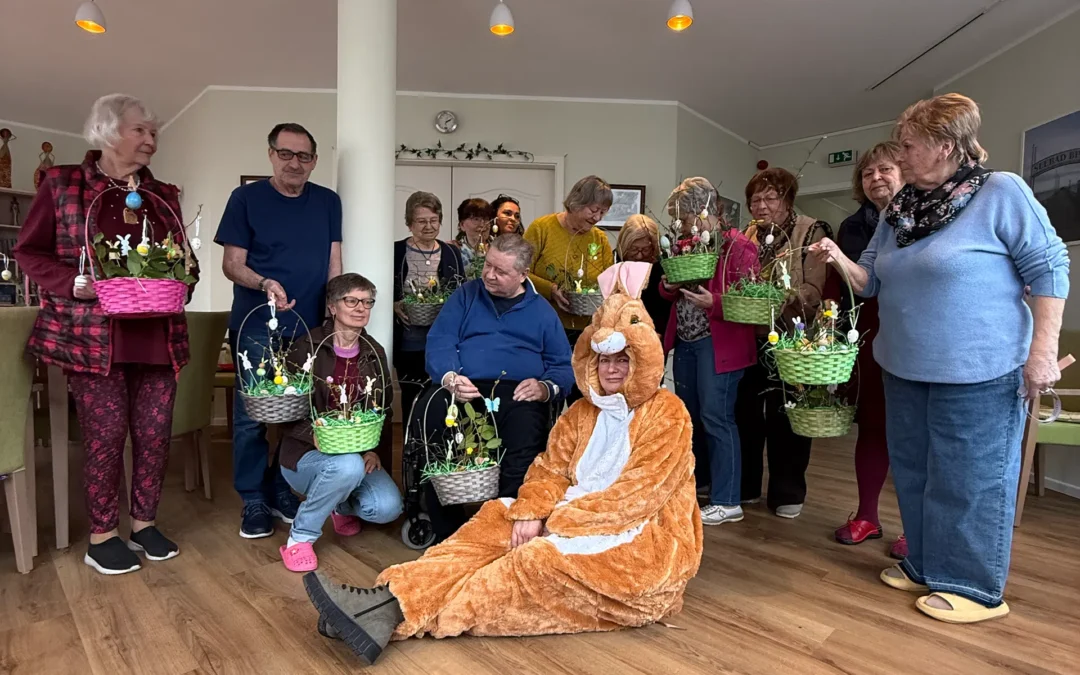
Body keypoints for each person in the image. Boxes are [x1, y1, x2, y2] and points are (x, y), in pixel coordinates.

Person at [302, 261, 702, 666]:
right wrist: (530, 511)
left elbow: (634, 498)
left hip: (638, 541)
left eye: (622, 360)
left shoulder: (667, 413)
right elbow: (549, 469)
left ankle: (392, 616)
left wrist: (552, 522)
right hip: (567, 514)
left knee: (530, 563)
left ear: (642, 361)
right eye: (604, 360)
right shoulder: (583, 412)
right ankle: (387, 596)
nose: (611, 370)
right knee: (494, 519)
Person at [810, 93, 1068, 624]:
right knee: (914, 473)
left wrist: (1041, 352)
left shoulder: (1001, 192)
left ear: (946, 146)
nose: (900, 155)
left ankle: (974, 588)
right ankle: (925, 565)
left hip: (979, 369)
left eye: (908, 145)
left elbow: (1049, 269)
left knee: (970, 478)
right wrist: (836, 258)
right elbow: (870, 279)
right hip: (903, 368)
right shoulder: (899, 212)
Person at [13, 94, 198, 574]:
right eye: (140, 130)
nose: (150, 140)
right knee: (105, 434)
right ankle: (102, 535)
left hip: (157, 331)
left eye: (154, 132)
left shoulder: (164, 194)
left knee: (155, 435)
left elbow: (184, 260)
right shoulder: (64, 184)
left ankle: (144, 523)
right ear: (108, 131)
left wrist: (183, 280)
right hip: (95, 337)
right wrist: (69, 286)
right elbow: (30, 253)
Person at [215, 122, 343, 540]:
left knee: (301, 416)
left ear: (315, 161)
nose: (294, 163)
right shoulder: (245, 199)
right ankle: (253, 497)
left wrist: (336, 311)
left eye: (304, 156)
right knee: (252, 418)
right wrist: (263, 283)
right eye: (286, 153)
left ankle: (281, 487)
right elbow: (232, 263)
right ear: (271, 154)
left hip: (309, 327)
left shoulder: (328, 201)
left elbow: (333, 259)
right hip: (257, 326)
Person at [413, 234, 574, 541]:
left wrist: (544, 388)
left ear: (523, 275)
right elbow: (441, 340)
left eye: (500, 271)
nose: (488, 274)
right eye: (488, 265)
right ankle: (447, 530)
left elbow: (563, 366)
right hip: (464, 385)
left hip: (517, 393)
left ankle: (503, 523)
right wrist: (449, 377)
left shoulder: (542, 312)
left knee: (526, 429)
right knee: (431, 417)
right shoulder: (466, 296)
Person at [276, 274, 403, 572]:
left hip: (357, 456)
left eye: (367, 302)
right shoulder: (306, 347)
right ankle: (300, 537)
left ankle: (339, 503)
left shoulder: (374, 351)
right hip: (305, 456)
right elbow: (283, 410)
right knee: (347, 466)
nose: (361, 308)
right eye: (352, 301)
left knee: (386, 508)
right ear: (333, 307)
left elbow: (384, 410)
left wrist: (376, 452)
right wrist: (312, 435)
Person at [658, 178, 759, 525]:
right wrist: (668, 285)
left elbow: (750, 301)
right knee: (693, 418)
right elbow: (669, 287)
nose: (682, 225)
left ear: (707, 211)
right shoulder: (687, 243)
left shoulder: (738, 246)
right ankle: (702, 484)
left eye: (685, 217)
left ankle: (728, 500)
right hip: (686, 341)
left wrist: (713, 302)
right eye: (680, 218)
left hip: (719, 345)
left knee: (718, 418)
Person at [826, 142, 907, 556]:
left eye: (885, 169)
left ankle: (916, 527)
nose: (876, 178)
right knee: (873, 425)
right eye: (867, 173)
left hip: (915, 332)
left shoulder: (928, 215)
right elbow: (848, 287)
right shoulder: (854, 227)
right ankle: (867, 517)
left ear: (906, 170)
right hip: (868, 332)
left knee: (914, 434)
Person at [737, 167, 831, 519]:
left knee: (787, 416)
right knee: (745, 413)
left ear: (787, 199)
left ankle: (787, 492)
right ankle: (746, 486)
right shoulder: (746, 233)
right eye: (755, 200)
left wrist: (779, 297)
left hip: (791, 339)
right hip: (749, 337)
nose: (761, 206)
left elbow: (814, 289)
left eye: (770, 198)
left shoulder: (811, 229)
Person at [524, 176, 615, 401]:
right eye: (594, 210)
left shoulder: (600, 239)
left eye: (603, 212)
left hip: (585, 332)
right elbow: (520, 271)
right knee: (546, 397)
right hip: (544, 330)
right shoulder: (542, 228)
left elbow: (609, 282)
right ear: (576, 203)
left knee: (582, 398)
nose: (597, 217)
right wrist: (550, 289)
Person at [392, 191, 466, 413]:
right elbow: (382, 287)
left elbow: (459, 290)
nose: (428, 226)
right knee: (411, 395)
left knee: (440, 396)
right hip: (408, 340)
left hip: (443, 339)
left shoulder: (452, 252)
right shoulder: (396, 251)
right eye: (421, 221)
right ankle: (410, 445)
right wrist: (394, 304)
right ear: (409, 223)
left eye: (434, 220)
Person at [615, 213, 670, 336]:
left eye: (645, 250)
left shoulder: (661, 267)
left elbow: (665, 308)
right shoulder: (615, 263)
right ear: (624, 245)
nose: (639, 256)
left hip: (653, 334)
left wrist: (659, 332)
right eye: (634, 250)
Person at [452, 197, 492, 272]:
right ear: (462, 225)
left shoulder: (499, 246)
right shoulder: (454, 250)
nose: (482, 224)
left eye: (486, 219)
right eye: (476, 219)